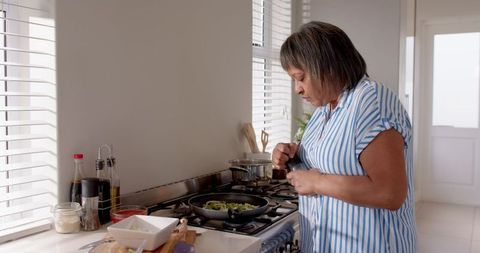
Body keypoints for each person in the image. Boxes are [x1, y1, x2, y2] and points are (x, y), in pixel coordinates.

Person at [272, 21, 416, 252]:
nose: (297, 89)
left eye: (301, 78)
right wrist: (291, 154)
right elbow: (335, 160)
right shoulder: (323, 110)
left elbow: (390, 193)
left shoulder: (371, 102)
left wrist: (317, 182)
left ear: (328, 65)